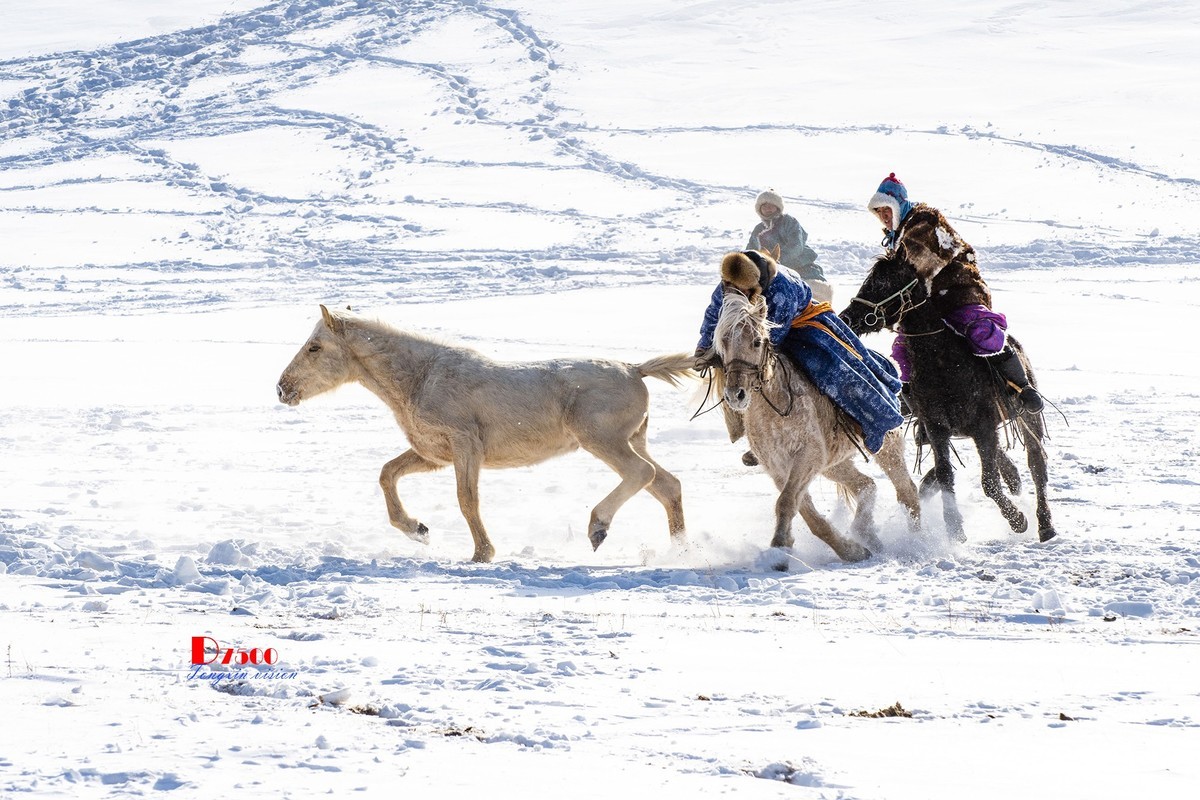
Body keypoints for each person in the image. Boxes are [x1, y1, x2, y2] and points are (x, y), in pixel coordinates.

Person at [695, 250, 903, 466]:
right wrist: (704, 348)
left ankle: (864, 420)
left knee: (828, 369)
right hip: (757, 333)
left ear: (756, 283)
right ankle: (756, 436)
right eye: (736, 289)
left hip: (802, 327)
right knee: (736, 370)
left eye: (745, 290)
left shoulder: (781, 287)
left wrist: (754, 352)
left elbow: (775, 332)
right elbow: (713, 315)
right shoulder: (729, 285)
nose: (741, 293)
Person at [866, 173, 1044, 415]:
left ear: (898, 205)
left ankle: (1022, 387)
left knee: (979, 330)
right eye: (879, 213)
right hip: (928, 305)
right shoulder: (896, 238)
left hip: (957, 292)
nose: (884, 217)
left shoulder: (924, 222)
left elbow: (920, 266)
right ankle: (915, 399)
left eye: (886, 210)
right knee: (903, 347)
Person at [747, 190, 833, 303]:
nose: (768, 208)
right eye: (764, 206)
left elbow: (796, 245)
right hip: (769, 273)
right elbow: (751, 251)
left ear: (777, 207)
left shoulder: (789, 222)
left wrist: (777, 262)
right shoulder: (758, 229)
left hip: (800, 268)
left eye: (771, 205)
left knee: (814, 296)